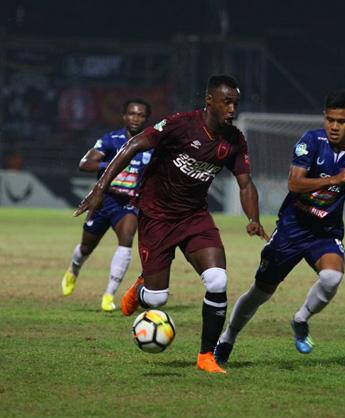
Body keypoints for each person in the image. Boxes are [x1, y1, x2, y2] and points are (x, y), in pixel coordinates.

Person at [75, 75, 268, 374]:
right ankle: (141, 290)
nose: (232, 109)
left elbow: (245, 183)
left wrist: (253, 218)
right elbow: (132, 146)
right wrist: (100, 188)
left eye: (235, 103)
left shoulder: (234, 139)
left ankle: (207, 356)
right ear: (210, 101)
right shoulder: (181, 124)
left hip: (194, 217)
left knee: (218, 281)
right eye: (226, 102)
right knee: (156, 299)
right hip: (157, 216)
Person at [214, 89, 345, 364]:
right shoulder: (311, 141)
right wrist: (336, 178)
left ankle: (300, 319)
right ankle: (228, 338)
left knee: (332, 277)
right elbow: (294, 184)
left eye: (341, 121)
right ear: (324, 117)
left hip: (325, 233)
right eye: (330, 119)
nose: (334, 126)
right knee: (261, 292)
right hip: (291, 229)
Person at [61, 98, 152, 312]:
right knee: (86, 247)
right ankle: (73, 270)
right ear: (124, 116)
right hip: (104, 201)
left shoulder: (150, 145)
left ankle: (109, 295)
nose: (136, 118)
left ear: (146, 119)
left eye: (140, 115)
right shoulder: (111, 140)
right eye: (132, 113)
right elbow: (84, 164)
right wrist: (111, 163)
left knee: (127, 238)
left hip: (129, 203)